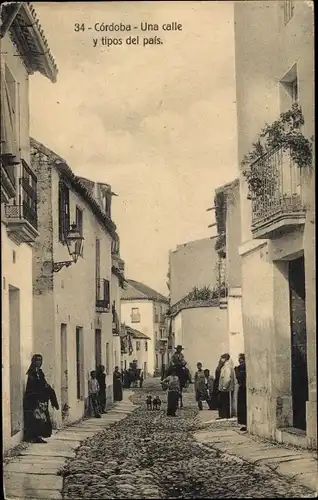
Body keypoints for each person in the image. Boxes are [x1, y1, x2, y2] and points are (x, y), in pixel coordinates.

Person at [24, 354, 59, 443]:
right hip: (34, 399)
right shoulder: (32, 373)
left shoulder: (40, 372)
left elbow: (44, 384)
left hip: (42, 398)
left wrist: (51, 395)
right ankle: (34, 436)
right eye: (37, 360)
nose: (39, 362)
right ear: (33, 361)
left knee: (43, 418)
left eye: (40, 360)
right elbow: (31, 387)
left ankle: (40, 435)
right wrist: (36, 398)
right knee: (36, 418)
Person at [218, 353, 235, 419]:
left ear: (225, 358)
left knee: (225, 402)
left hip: (225, 388)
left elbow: (227, 378)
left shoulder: (227, 367)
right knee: (224, 402)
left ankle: (225, 415)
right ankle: (224, 415)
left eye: (222, 358)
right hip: (224, 388)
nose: (221, 359)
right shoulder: (225, 366)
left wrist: (224, 386)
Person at [235, 353, 247, 431]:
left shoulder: (242, 368)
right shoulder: (239, 368)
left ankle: (245, 423)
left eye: (242, 361)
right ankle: (244, 423)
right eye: (240, 361)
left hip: (244, 388)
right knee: (242, 407)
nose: (241, 363)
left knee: (243, 407)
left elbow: (240, 377)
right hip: (242, 388)